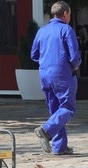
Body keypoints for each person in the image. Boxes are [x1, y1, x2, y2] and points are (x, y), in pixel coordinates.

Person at [31, 1, 81, 155]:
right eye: (70, 14)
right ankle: (46, 130)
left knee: (55, 110)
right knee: (68, 108)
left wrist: (46, 63)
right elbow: (74, 56)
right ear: (65, 13)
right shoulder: (66, 29)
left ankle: (59, 146)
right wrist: (75, 66)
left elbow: (33, 55)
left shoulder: (41, 31)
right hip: (62, 74)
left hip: (45, 74)